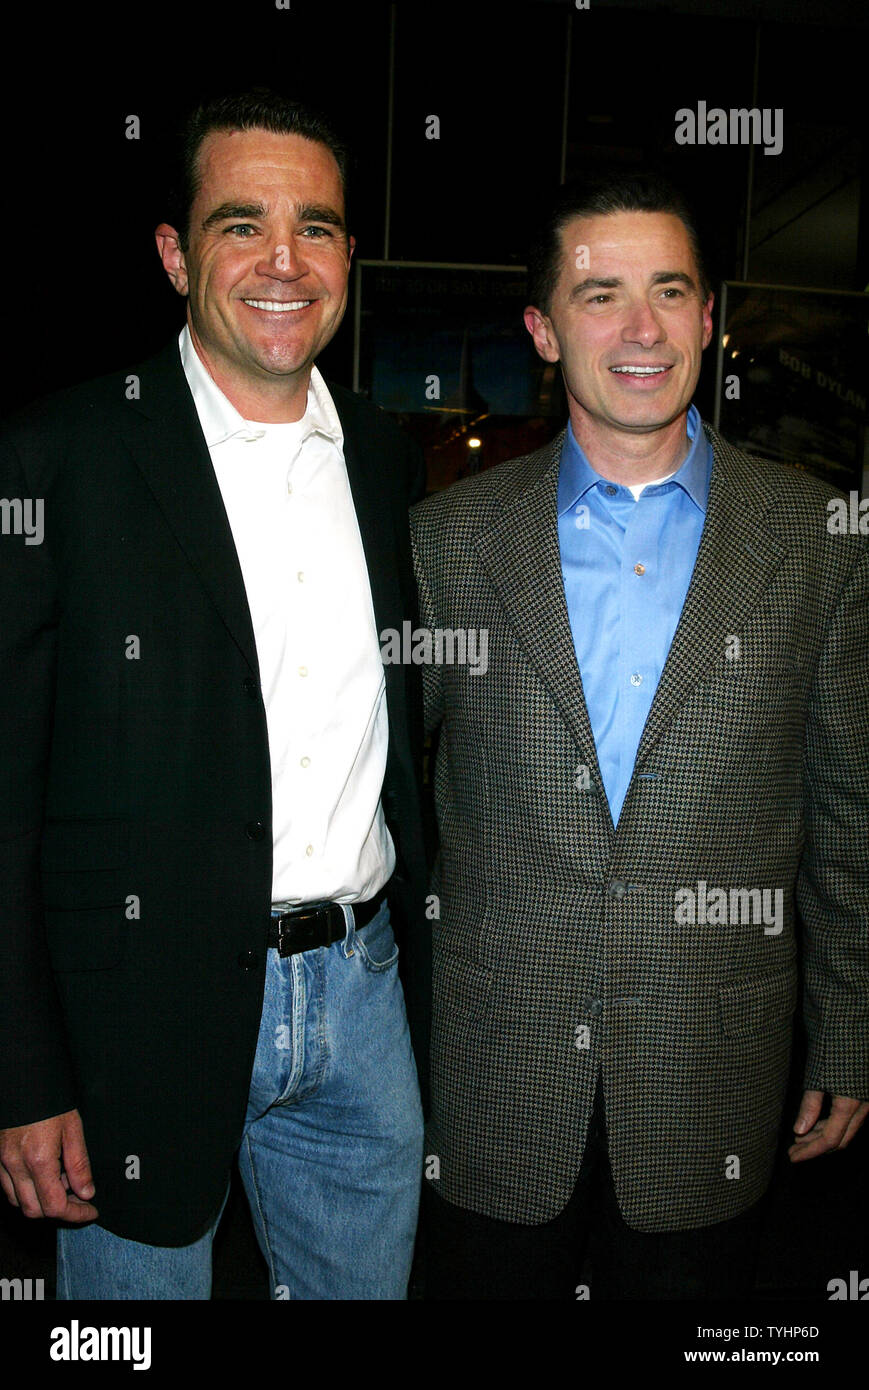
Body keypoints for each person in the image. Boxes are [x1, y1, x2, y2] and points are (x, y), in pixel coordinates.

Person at [0, 88, 430, 1301]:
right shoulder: (56, 458)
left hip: (363, 1005)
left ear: (350, 254)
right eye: (242, 225)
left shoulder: (392, 462)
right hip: (134, 1016)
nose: (284, 262)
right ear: (175, 254)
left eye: (319, 228)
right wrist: (25, 1076)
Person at [410, 172, 868, 1300]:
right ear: (541, 327)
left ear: (709, 317)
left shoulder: (819, 536)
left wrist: (848, 1031)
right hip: (490, 1071)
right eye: (598, 292)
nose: (639, 328)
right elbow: (399, 808)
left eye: (669, 291)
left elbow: (846, 809)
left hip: (712, 1072)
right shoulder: (445, 540)